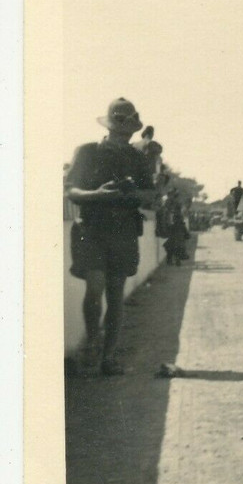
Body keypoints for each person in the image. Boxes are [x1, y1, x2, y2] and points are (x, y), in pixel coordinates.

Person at [65, 98, 157, 375]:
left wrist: (131, 193)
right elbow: (71, 190)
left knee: (116, 296)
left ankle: (109, 357)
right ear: (109, 127)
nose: (124, 135)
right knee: (95, 288)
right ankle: (93, 343)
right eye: (119, 130)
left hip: (123, 230)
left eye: (128, 131)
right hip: (91, 229)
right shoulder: (87, 152)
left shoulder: (138, 158)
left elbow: (150, 195)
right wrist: (97, 194)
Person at [161, 191, 190, 267]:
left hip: (174, 230)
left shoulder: (173, 208)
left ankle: (172, 260)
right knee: (176, 246)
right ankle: (175, 260)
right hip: (176, 230)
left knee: (172, 246)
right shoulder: (174, 207)